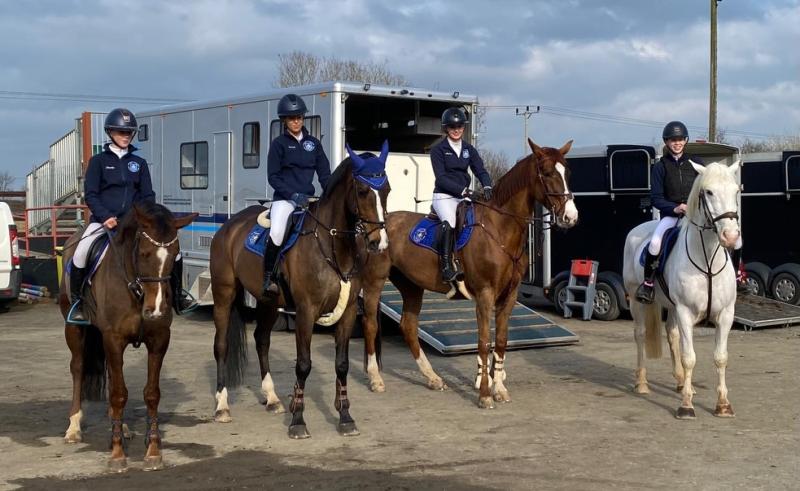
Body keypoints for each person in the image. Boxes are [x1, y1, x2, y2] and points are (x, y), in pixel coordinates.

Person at [69, 108, 195, 322]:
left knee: (175, 253)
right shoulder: (98, 161)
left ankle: (178, 297)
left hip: (135, 223)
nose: (126, 136)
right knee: (81, 252)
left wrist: (147, 219)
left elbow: (148, 195)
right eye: (121, 132)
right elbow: (91, 194)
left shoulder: (139, 163)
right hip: (104, 222)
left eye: (129, 132)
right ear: (110, 132)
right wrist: (105, 216)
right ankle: (78, 302)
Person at [636, 121, 748, 303]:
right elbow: (656, 198)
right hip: (672, 216)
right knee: (655, 242)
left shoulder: (696, 163)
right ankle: (648, 283)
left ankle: (738, 276)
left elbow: (706, 189)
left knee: (737, 239)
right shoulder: (660, 167)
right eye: (673, 140)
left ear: (685, 140)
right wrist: (675, 207)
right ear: (666, 142)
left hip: (696, 216)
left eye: (680, 139)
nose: (677, 143)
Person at [262, 94, 331, 297]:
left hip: (309, 199)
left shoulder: (314, 144)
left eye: (299, 117)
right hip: (285, 199)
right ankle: (268, 277)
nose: (296, 121)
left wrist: (329, 193)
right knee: (277, 232)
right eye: (292, 118)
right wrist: (292, 195)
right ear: (284, 120)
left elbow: (324, 174)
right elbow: (273, 177)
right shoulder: (279, 144)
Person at [430, 107, 492, 282]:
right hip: (444, 196)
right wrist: (464, 191)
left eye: (459, 127)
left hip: (463, 196)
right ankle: (446, 266)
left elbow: (480, 170)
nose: (456, 130)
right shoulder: (438, 150)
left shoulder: (469, 149)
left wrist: (487, 185)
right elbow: (441, 178)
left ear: (463, 128)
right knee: (450, 222)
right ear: (446, 128)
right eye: (452, 127)